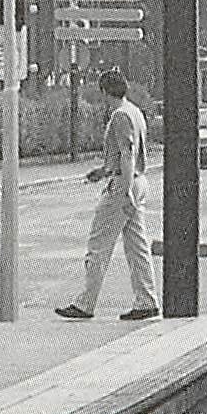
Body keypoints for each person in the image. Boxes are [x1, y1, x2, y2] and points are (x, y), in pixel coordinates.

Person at [56, 68, 157, 321]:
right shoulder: (135, 111)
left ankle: (85, 303)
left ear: (104, 91)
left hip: (124, 183)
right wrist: (103, 171)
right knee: (137, 246)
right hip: (137, 180)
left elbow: (127, 153)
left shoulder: (120, 116)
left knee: (98, 245)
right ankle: (147, 300)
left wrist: (123, 192)